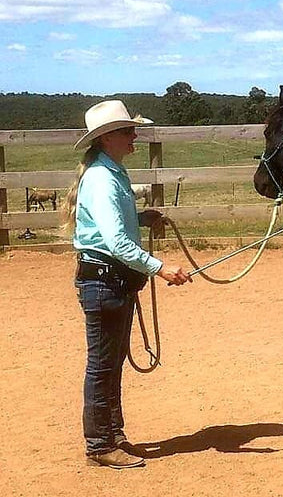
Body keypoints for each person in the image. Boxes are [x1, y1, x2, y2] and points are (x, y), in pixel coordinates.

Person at [64, 100, 191, 469]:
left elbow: (112, 226)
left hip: (109, 281)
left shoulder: (110, 171)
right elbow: (117, 242)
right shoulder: (103, 178)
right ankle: (100, 443)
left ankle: (112, 435)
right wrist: (160, 268)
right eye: (126, 131)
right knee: (103, 364)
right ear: (107, 138)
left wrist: (139, 215)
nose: (134, 135)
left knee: (111, 362)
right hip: (105, 281)